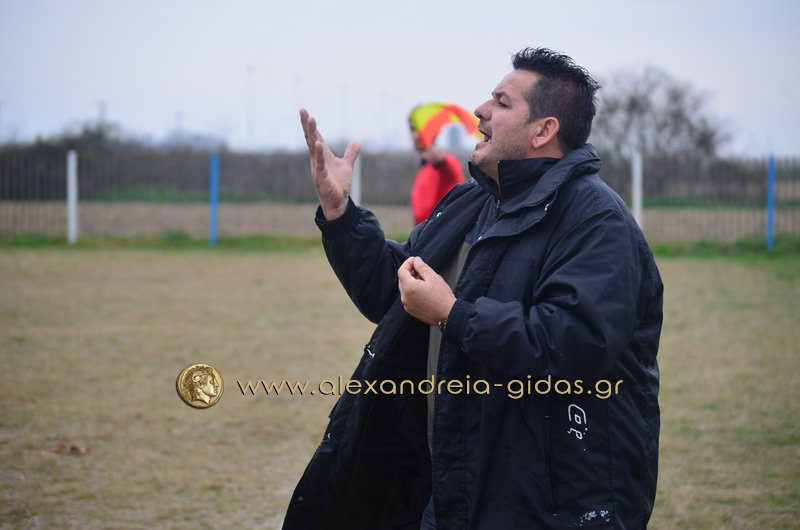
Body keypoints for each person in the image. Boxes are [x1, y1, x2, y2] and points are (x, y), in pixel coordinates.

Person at [285, 47, 663, 530]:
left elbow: (572, 343)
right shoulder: (471, 202)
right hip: (452, 482)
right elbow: (394, 290)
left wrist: (453, 315)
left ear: (543, 130)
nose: (480, 111)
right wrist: (340, 213)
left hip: (543, 498)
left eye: (502, 103)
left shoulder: (596, 221)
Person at [408, 120, 465, 225]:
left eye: (419, 129)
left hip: (441, 229)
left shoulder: (445, 163)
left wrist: (441, 160)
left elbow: (451, 171)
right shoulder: (423, 170)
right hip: (422, 231)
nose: (415, 135)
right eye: (413, 129)